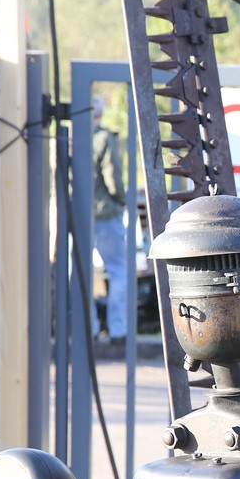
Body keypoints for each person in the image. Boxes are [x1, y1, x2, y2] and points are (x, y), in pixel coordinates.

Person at [92, 95, 128, 345]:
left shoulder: (69, 136)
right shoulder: (104, 137)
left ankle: (89, 328)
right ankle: (118, 329)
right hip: (106, 212)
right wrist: (121, 199)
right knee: (118, 270)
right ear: (100, 114)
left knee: (79, 274)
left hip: (79, 215)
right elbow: (112, 175)